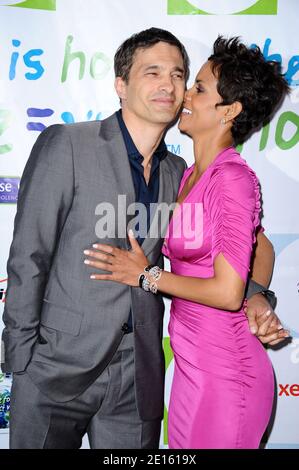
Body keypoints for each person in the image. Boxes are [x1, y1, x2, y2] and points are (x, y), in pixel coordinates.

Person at [1, 29, 286, 449]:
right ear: (121, 84)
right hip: (55, 369)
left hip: (139, 376)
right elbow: (29, 256)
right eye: (151, 72)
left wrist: (256, 295)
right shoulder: (70, 145)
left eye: (179, 75)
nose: (171, 87)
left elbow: (257, 245)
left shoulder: (181, 171)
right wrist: (21, 362)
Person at [84, 36, 290, 449]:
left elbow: (226, 293)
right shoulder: (187, 174)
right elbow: (261, 246)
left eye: (198, 87)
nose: (185, 95)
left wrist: (146, 276)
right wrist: (260, 296)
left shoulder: (231, 178)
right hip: (191, 366)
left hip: (227, 371)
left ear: (229, 111)